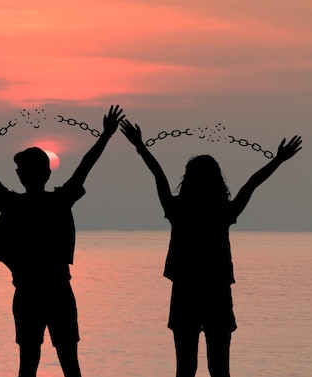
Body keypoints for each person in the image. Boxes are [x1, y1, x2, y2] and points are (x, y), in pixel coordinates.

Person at [120, 119, 302, 377]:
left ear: (188, 180)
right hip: (217, 290)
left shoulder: (177, 209)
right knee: (219, 369)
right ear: (218, 180)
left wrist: (140, 145)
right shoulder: (223, 211)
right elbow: (252, 184)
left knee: (185, 369)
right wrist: (278, 160)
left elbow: (158, 174)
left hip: (185, 290)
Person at [0, 105, 125, 377]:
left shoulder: (14, 205)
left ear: (23, 175)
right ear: (47, 173)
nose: (19, 172)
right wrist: (105, 135)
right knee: (69, 363)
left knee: (30, 364)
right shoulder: (59, 202)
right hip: (57, 291)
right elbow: (85, 167)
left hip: (30, 293)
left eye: (20, 169)